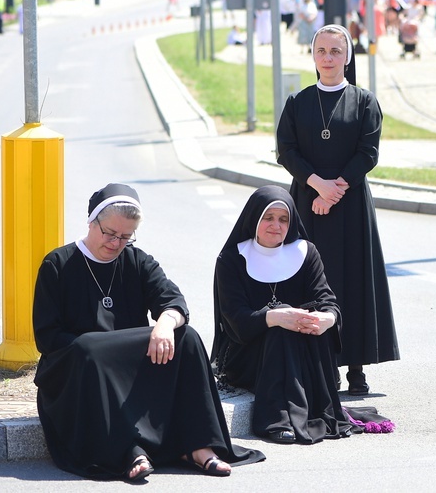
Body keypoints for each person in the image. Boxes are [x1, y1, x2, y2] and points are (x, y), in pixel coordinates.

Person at [32, 183, 265, 482]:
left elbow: (174, 302)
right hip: (79, 367)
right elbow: (47, 337)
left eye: (126, 236)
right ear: (92, 221)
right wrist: (99, 348)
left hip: (132, 359)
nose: (117, 243)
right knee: (90, 349)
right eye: (110, 233)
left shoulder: (137, 260)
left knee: (188, 338)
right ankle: (129, 451)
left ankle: (198, 446)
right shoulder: (57, 264)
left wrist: (165, 324)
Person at [276, 25, 400, 396]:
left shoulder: (364, 101)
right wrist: (318, 185)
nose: (328, 58)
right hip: (308, 203)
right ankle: (321, 365)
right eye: (321, 51)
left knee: (352, 280)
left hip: (350, 208)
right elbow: (287, 151)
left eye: (335, 51)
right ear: (313, 56)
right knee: (313, 282)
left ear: (347, 57)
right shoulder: (298, 102)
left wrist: (334, 190)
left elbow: (368, 153)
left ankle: (356, 368)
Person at [211, 186, 361, 444]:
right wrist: (276, 317)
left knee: (307, 326)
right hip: (246, 355)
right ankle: (275, 420)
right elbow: (235, 321)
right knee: (280, 331)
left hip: (300, 350)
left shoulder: (306, 253)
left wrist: (325, 319)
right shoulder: (232, 259)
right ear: (254, 219)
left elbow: (328, 302)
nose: (276, 226)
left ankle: (307, 413)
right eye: (268, 218)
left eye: (283, 219)